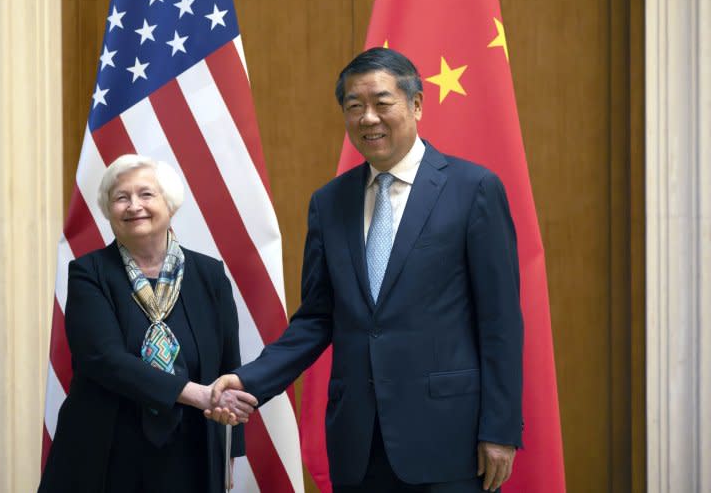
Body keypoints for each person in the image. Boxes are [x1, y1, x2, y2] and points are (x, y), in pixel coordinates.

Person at [207, 48, 523, 492]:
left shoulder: (473, 190)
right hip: (358, 442)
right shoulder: (329, 202)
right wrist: (248, 379)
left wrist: (501, 429)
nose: (368, 118)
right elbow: (317, 319)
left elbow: (500, 322)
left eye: (382, 102)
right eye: (354, 107)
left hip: (449, 439)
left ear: (415, 105)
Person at [39, 154, 257, 493]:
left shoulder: (209, 274)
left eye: (146, 195)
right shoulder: (88, 273)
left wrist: (230, 450)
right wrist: (194, 394)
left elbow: (229, 364)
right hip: (107, 451)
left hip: (194, 450)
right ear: (109, 210)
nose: (133, 206)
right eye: (121, 197)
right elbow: (103, 360)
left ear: (170, 205)